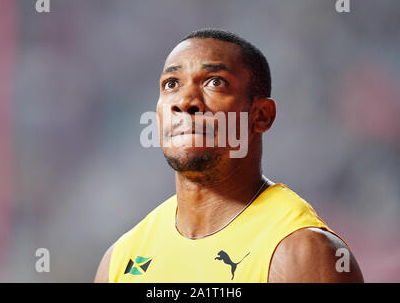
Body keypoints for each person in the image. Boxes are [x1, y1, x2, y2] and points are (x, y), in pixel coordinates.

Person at [94, 28, 363, 283]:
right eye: (172, 83)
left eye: (215, 82)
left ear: (261, 115)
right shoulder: (120, 259)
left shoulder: (303, 255)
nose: (185, 101)